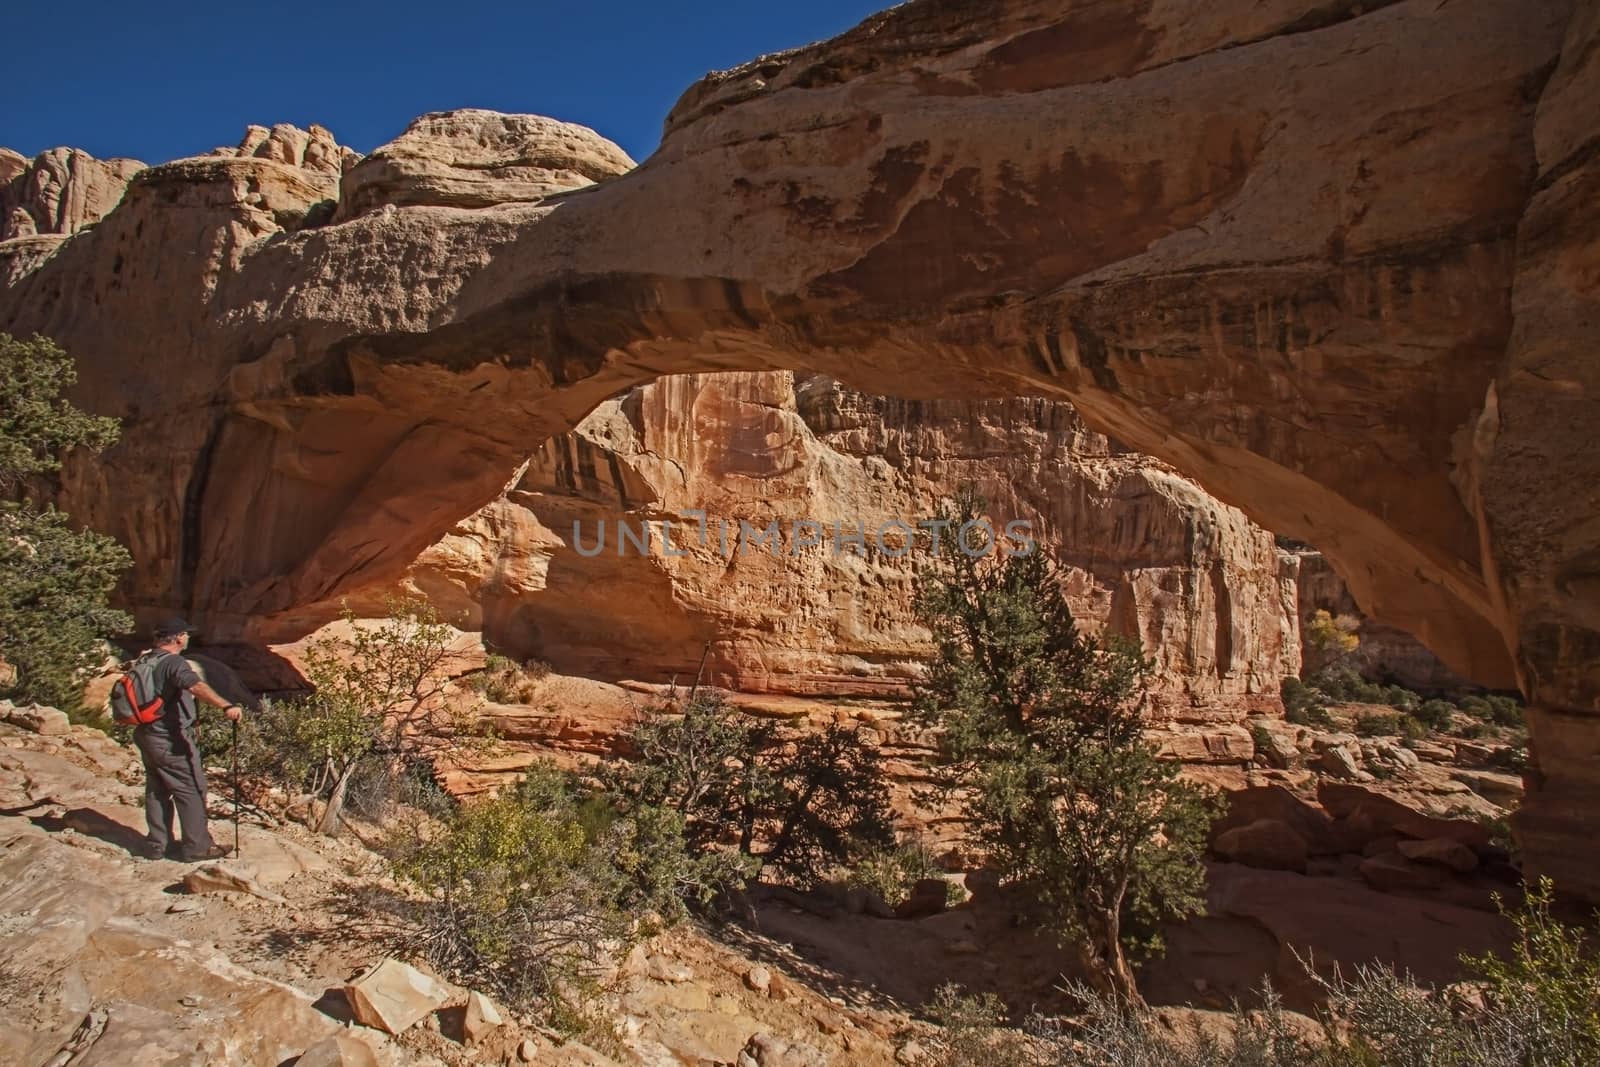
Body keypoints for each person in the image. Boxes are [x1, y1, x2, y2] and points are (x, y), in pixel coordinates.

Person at [132, 616, 243, 862]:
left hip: (145, 733)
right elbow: (194, 685)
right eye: (186, 634)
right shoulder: (173, 663)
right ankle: (197, 848)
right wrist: (225, 705)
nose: (188, 638)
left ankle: (158, 844)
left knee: (157, 788)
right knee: (191, 788)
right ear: (179, 637)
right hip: (170, 737)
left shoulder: (146, 659)